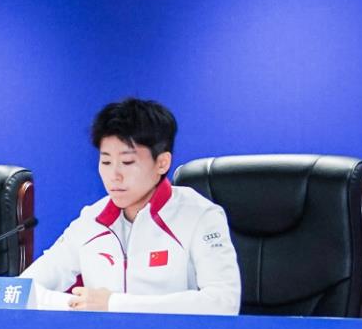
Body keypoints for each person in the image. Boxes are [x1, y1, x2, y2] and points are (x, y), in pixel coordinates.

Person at [23, 98, 240, 314]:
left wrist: (114, 304)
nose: (114, 175)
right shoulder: (91, 220)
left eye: (127, 162)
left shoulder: (199, 215)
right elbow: (22, 290)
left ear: (162, 163)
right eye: (106, 162)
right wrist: (78, 305)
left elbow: (223, 302)